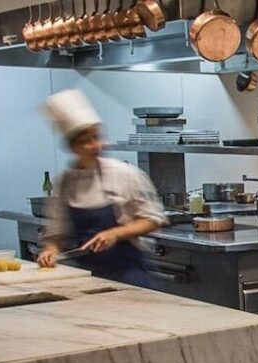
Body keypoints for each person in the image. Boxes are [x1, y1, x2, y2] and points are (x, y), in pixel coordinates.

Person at [36, 89, 167, 288]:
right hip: (87, 277)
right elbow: (56, 232)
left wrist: (115, 233)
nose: (94, 145)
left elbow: (153, 220)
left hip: (130, 274)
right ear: (72, 147)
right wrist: (50, 251)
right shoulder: (65, 183)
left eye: (96, 137)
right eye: (85, 141)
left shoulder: (125, 174)